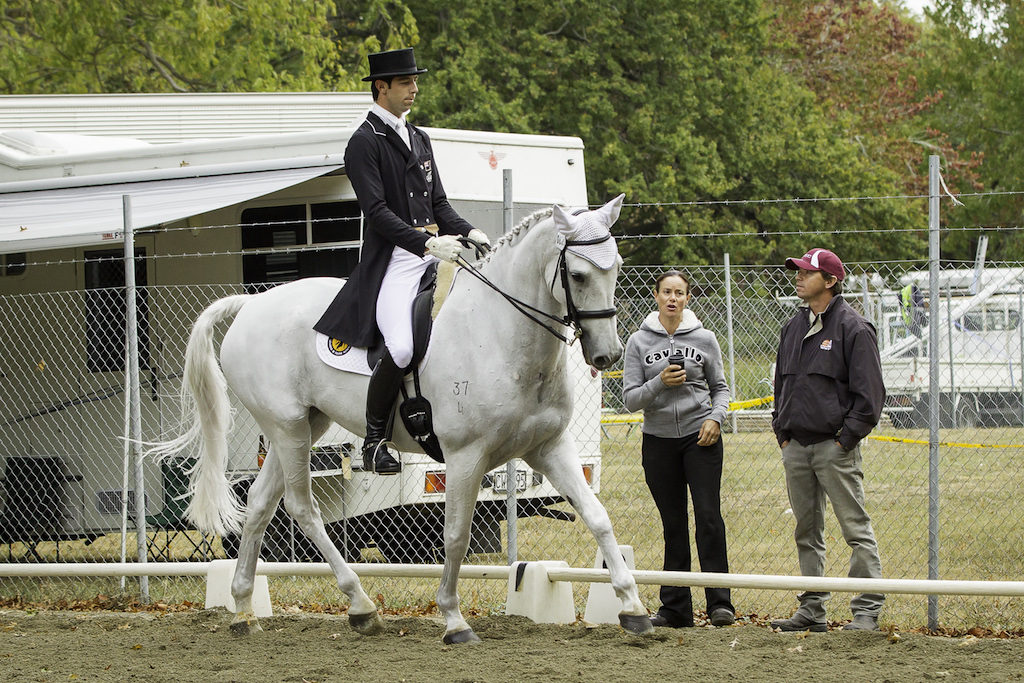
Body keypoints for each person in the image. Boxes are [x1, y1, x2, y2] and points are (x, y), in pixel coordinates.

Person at [314, 48, 490, 475]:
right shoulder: (363, 142)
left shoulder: (420, 138)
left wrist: (468, 230)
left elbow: (439, 204)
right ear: (382, 87)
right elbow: (376, 212)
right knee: (403, 345)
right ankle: (374, 441)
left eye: (415, 81)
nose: (414, 89)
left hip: (436, 253)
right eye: (406, 83)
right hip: (395, 260)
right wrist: (426, 245)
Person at [770, 248, 886, 632]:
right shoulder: (792, 327)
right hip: (796, 449)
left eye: (807, 272)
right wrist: (782, 433)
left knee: (855, 529)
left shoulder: (854, 328)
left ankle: (866, 610)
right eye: (798, 271)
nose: (799, 277)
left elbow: (870, 399)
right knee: (807, 530)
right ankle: (812, 609)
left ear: (831, 281)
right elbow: (781, 386)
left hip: (834, 449)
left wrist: (843, 442)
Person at [622, 270, 736, 628]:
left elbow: (721, 388)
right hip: (657, 442)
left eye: (680, 293)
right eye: (667, 292)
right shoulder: (638, 342)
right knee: (673, 524)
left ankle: (720, 602)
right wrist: (658, 383)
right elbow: (629, 399)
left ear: (688, 299)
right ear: (656, 296)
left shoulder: (705, 338)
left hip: (699, 437)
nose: (673, 298)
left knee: (708, 517)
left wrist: (715, 419)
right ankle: (675, 608)